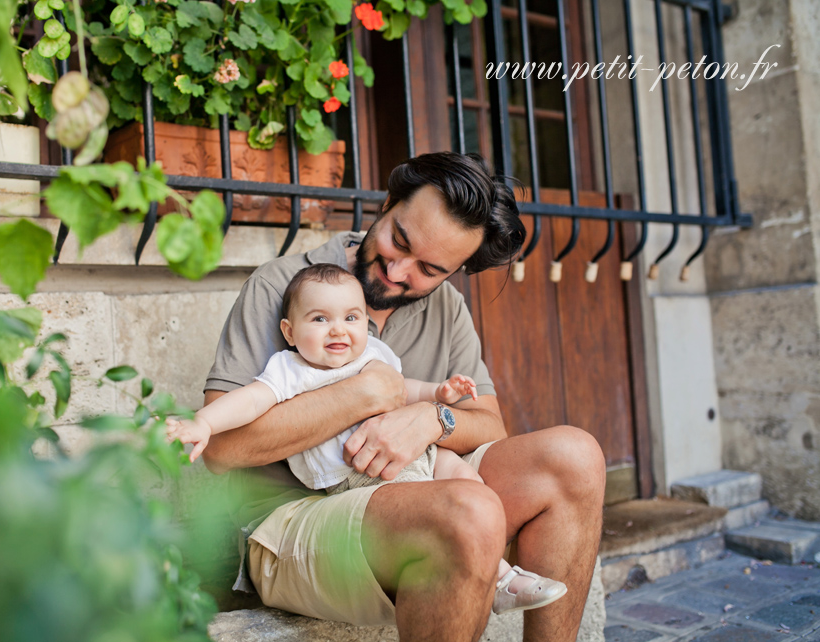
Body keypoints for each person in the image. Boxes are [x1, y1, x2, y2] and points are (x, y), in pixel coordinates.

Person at [200, 152, 606, 642]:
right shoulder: (282, 285)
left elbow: (489, 425)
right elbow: (221, 451)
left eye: (429, 269)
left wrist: (433, 418)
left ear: (454, 272)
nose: (397, 271)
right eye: (399, 240)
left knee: (576, 457)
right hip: (289, 523)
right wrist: (364, 394)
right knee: (468, 510)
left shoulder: (447, 307)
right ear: (387, 203)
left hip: (415, 495)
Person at [167, 263, 568, 615]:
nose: (338, 329)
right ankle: (502, 581)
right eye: (320, 319)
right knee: (451, 504)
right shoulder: (292, 370)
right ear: (289, 331)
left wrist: (439, 395)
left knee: (467, 479)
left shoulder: (372, 354)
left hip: (421, 453)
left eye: (351, 318)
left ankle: (492, 566)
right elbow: (251, 400)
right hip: (364, 474)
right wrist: (203, 423)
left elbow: (403, 388)